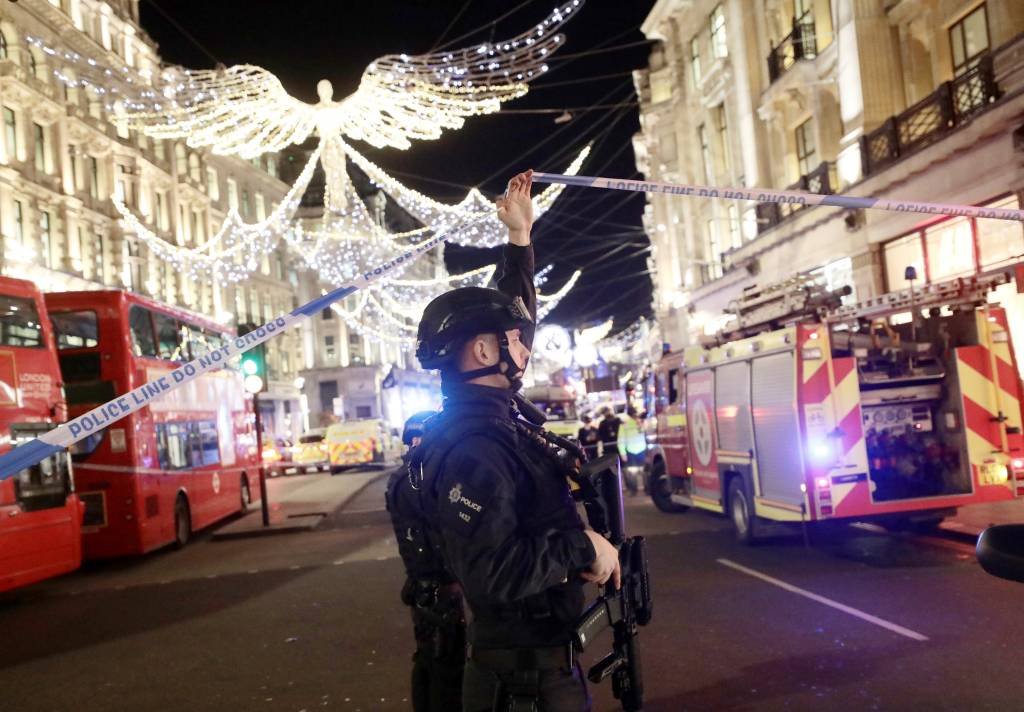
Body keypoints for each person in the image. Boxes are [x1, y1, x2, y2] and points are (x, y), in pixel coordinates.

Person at [412, 170, 621, 712]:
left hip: (535, 674)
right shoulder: (473, 449)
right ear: (483, 353)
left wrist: (520, 242)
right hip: (522, 689)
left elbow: (512, 317)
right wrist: (583, 547)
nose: (525, 350)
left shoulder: (489, 421)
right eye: (513, 343)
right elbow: (492, 572)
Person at [386, 411, 465, 712]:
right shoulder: (426, 479)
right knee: (448, 666)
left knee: (428, 659)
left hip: (420, 585)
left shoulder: (399, 478)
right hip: (442, 586)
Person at [616, 406, 646, 495]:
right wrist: (623, 453)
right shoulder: (625, 424)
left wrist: (623, 453)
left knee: (642, 471)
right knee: (633, 472)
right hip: (634, 451)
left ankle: (644, 489)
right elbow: (621, 440)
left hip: (638, 450)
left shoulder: (640, 422)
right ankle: (634, 490)